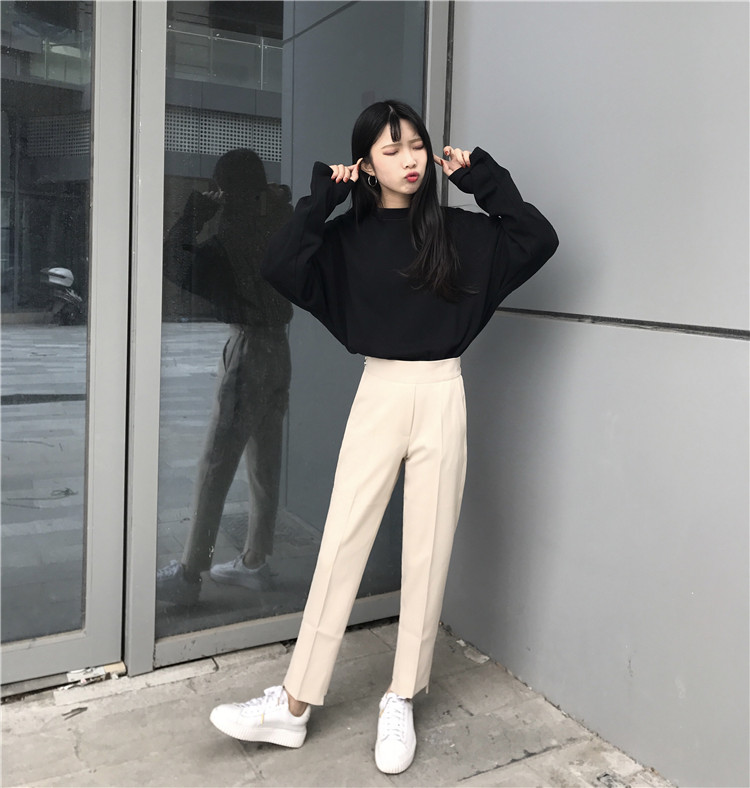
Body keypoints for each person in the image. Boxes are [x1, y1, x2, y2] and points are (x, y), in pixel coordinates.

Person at [208, 101, 558, 773]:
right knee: (342, 541)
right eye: (392, 149)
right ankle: (293, 704)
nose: (411, 159)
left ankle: (401, 696)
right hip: (380, 390)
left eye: (417, 145)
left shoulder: (458, 231)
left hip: (442, 389)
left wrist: (483, 179)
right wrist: (322, 200)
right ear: (366, 165)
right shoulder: (346, 238)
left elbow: (537, 238)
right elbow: (279, 264)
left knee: (428, 549)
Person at [156, 149, 293, 606]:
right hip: (280, 348)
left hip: (248, 347)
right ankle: (255, 560)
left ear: (222, 189)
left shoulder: (229, 236)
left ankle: (190, 572)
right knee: (265, 459)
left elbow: (175, 265)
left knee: (216, 461)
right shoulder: (279, 224)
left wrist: (196, 212)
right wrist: (274, 201)